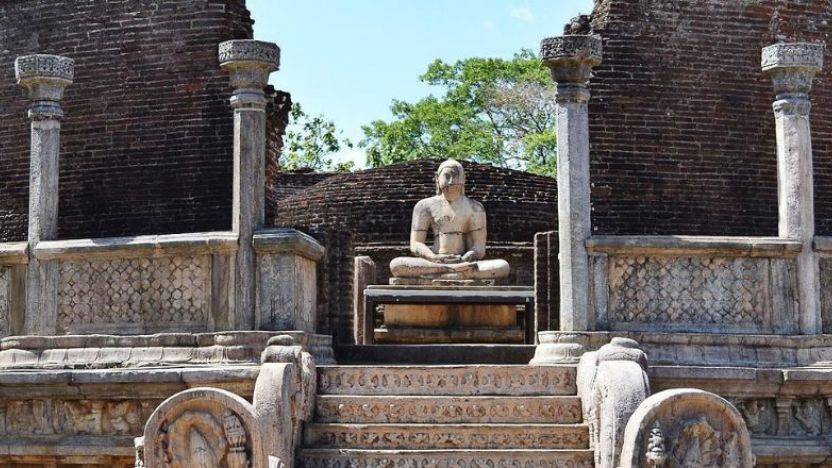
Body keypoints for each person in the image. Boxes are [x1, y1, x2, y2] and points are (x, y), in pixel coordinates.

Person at [389, 159, 510, 280]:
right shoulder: (424, 206)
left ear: (463, 179)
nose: (451, 181)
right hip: (435, 262)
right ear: (437, 178)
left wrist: (465, 258)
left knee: (503, 266)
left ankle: (447, 272)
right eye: (447, 176)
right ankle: (453, 271)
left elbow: (479, 247)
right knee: (396, 265)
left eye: (456, 176)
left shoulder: (475, 207)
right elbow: (416, 244)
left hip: (463, 261)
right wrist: (433, 257)